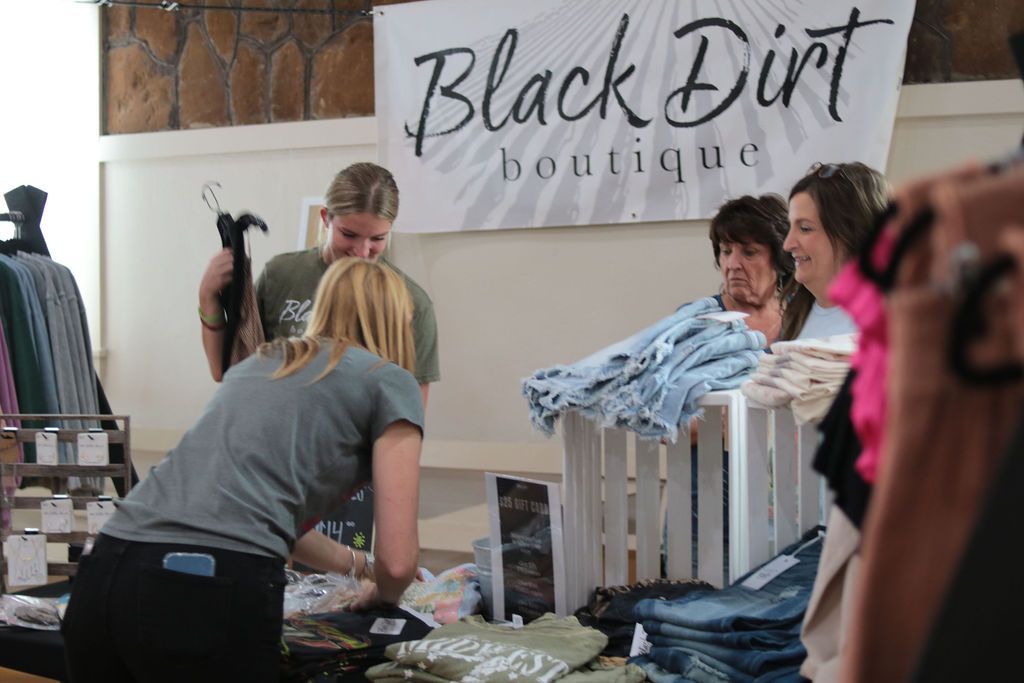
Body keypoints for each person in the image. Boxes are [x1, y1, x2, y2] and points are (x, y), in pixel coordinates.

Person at [62, 259, 423, 682]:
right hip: (203, 588)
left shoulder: (263, 362)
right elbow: (398, 564)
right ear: (400, 322)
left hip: (103, 570)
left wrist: (355, 564)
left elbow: (258, 512)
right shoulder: (391, 381)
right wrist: (382, 591)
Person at [199, 162, 439, 407]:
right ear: (326, 218)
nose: (361, 251)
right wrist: (208, 299)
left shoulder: (411, 302)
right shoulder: (281, 275)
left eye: (377, 238)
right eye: (349, 234)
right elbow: (227, 369)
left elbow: (410, 414)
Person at [781, 162, 889, 340]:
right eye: (790, 227)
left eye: (805, 228)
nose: (787, 244)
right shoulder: (797, 313)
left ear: (851, 233)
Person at [707, 194, 793, 343]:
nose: (732, 265)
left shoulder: (803, 315)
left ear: (780, 258)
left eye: (749, 253)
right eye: (726, 251)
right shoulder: (698, 321)